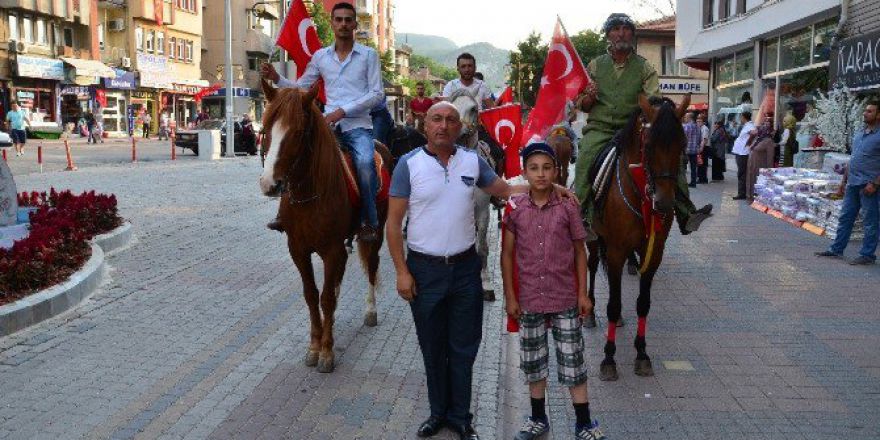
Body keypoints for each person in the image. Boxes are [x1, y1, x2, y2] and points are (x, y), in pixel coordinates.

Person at [386, 102, 574, 440]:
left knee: (464, 348)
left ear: (460, 128)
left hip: (464, 271)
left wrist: (547, 188)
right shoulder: (407, 165)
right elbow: (393, 223)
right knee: (432, 347)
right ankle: (437, 413)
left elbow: (504, 189)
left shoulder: (472, 161)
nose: (443, 126)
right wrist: (402, 271)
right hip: (424, 271)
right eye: (436, 119)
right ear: (425, 125)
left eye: (451, 120)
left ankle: (461, 417)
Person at [574, 13, 712, 238]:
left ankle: (686, 213)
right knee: (585, 158)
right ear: (608, 35)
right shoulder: (594, 66)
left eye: (626, 29)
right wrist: (589, 96)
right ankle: (582, 216)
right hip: (600, 128)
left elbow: (654, 99)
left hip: (632, 127)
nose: (621, 33)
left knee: (669, 156)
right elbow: (582, 104)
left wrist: (656, 113)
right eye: (616, 29)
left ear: (632, 34)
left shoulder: (644, 67)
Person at [502, 143, 605, 440]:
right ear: (524, 172)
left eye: (547, 168)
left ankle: (584, 422)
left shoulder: (568, 207)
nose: (541, 174)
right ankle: (538, 418)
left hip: (565, 297)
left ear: (557, 171)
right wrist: (511, 297)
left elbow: (580, 251)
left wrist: (583, 294)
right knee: (534, 361)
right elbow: (507, 255)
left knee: (573, 360)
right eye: (533, 168)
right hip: (530, 299)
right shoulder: (516, 209)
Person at [261, 1, 384, 241]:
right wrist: (277, 78)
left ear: (355, 25)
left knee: (364, 164)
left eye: (348, 20)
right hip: (327, 127)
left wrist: (343, 111)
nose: (343, 24)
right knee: (295, 153)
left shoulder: (369, 55)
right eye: (339, 19)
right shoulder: (321, 57)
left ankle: (369, 221)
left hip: (358, 127)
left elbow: (377, 94)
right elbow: (301, 87)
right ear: (332, 23)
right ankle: (284, 212)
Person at [816, 101, 880, 265]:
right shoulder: (859, 134)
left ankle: (867, 255)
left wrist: (875, 183)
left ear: (878, 115)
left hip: (869, 185)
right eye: (865, 110)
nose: (865, 113)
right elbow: (852, 159)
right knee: (845, 217)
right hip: (852, 183)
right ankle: (836, 249)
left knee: (870, 221)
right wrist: (843, 182)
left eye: (870, 111)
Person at [746, 115, 776, 202]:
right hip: (752, 165)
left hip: (760, 166)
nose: (757, 131)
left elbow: (770, 157)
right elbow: (750, 147)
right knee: (751, 180)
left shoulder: (769, 141)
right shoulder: (757, 139)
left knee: (757, 181)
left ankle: (758, 199)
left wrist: (768, 171)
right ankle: (750, 197)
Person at [731, 111, 756, 200]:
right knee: (741, 173)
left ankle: (742, 193)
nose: (740, 119)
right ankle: (742, 192)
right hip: (740, 152)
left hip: (743, 153)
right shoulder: (746, 125)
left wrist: (749, 143)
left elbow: (754, 133)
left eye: (741, 117)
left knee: (741, 173)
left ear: (744, 117)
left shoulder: (750, 125)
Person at [683, 113, 701, 188]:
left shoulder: (686, 126)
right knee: (693, 167)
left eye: (686, 117)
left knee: (683, 167)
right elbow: (699, 139)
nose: (685, 118)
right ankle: (693, 182)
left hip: (687, 150)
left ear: (689, 118)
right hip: (694, 150)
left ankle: (683, 182)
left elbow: (684, 138)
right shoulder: (697, 127)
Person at [697, 114, 710, 183]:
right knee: (700, 163)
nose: (698, 122)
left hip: (704, 148)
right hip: (701, 147)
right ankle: (701, 178)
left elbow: (704, 139)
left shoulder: (705, 128)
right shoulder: (700, 128)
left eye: (700, 121)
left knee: (702, 163)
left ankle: (703, 179)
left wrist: (701, 148)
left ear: (703, 122)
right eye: (697, 121)